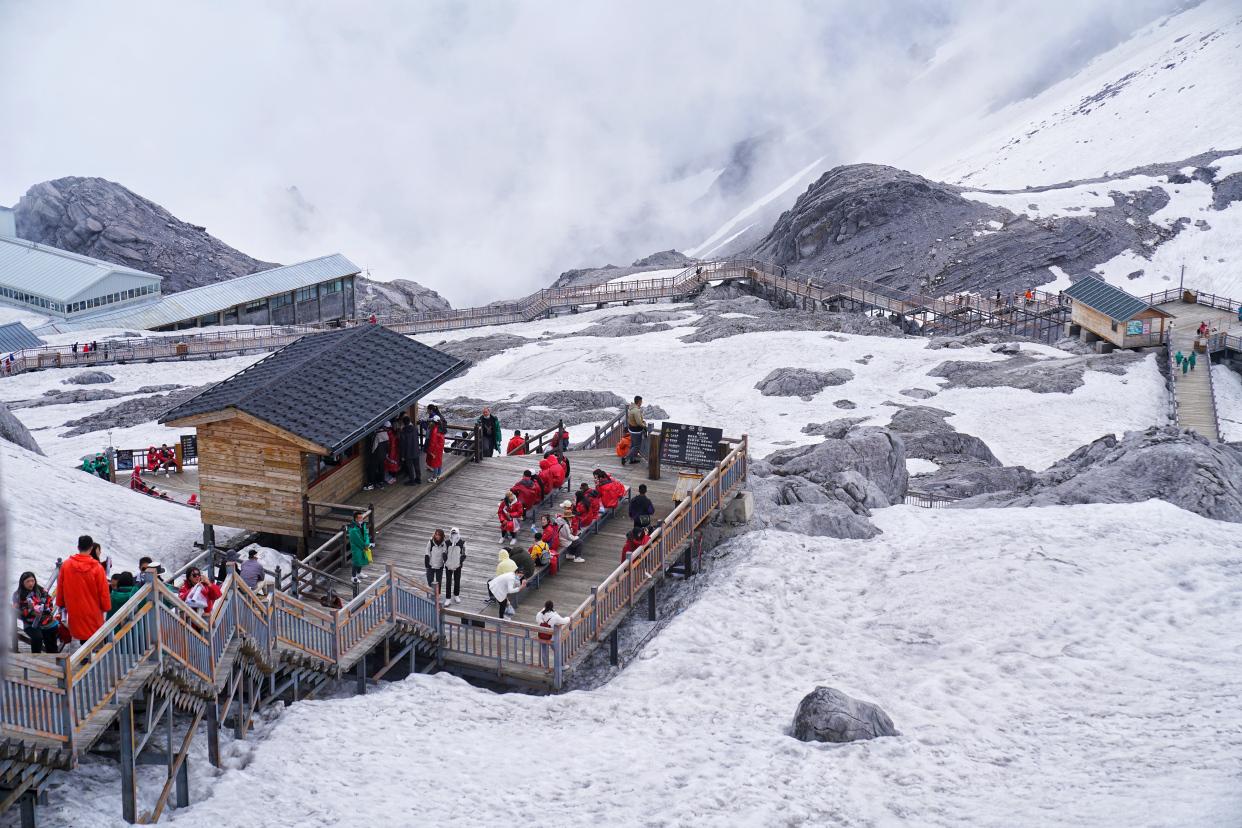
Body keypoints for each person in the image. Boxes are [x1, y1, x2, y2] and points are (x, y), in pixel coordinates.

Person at [57, 535, 111, 645]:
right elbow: (103, 591)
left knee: (80, 635)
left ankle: (82, 657)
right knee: (92, 636)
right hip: (93, 609)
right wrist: (106, 607)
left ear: (78, 547)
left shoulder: (66, 565)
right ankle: (88, 658)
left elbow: (60, 587)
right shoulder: (97, 567)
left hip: (74, 608)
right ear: (91, 548)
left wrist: (61, 603)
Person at [13, 571, 59, 654]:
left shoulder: (40, 590)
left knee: (52, 631)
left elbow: (49, 600)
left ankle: (53, 655)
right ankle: (35, 656)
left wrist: (46, 608)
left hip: (44, 620)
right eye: (27, 581)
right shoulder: (17, 595)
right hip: (30, 623)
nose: (31, 584)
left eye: (32, 581)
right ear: (22, 583)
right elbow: (20, 613)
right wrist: (32, 611)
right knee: (37, 637)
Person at [536, 600, 570, 665]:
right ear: (552, 607)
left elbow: (538, 620)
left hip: (541, 635)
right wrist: (569, 618)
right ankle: (561, 665)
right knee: (557, 650)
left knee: (544, 652)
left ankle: (546, 668)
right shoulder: (555, 617)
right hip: (551, 637)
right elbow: (564, 621)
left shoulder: (539, 614)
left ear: (545, 606)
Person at [347, 510, 372, 585]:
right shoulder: (352, 528)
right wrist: (365, 546)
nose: (362, 519)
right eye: (360, 518)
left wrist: (367, 542)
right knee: (356, 560)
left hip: (364, 545)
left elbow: (366, 534)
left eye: (362, 517)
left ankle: (359, 573)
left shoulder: (363, 525)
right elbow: (356, 540)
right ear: (356, 519)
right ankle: (353, 576)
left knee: (361, 558)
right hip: (356, 546)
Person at [425, 529, 449, 604]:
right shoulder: (431, 542)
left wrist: (446, 561)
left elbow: (445, 552)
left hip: (439, 565)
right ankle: (431, 594)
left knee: (439, 580)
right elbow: (427, 552)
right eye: (436, 534)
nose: (437, 536)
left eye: (439, 535)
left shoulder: (444, 543)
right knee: (430, 580)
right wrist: (426, 562)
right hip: (431, 564)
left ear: (441, 536)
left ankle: (438, 594)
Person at [444, 527, 467, 605]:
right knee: (448, 581)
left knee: (457, 581)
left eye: (455, 533)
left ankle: (456, 595)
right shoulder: (446, 543)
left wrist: (459, 562)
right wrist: (446, 562)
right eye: (453, 533)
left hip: (457, 565)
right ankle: (448, 598)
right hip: (448, 565)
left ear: (458, 533)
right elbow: (444, 553)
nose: (454, 535)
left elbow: (464, 554)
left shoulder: (462, 543)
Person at [399, 415, 422, 485]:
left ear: (403, 423)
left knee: (410, 467)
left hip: (408, 452)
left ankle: (412, 481)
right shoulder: (415, 429)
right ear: (410, 422)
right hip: (415, 450)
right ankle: (418, 479)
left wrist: (402, 455)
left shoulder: (403, 431)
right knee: (417, 466)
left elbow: (402, 445)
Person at [623, 396, 647, 465]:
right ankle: (625, 458)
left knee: (633, 445)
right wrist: (644, 425)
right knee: (636, 446)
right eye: (641, 401)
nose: (642, 403)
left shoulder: (631, 408)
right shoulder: (636, 411)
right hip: (636, 431)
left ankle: (632, 459)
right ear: (639, 402)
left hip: (631, 429)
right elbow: (639, 422)